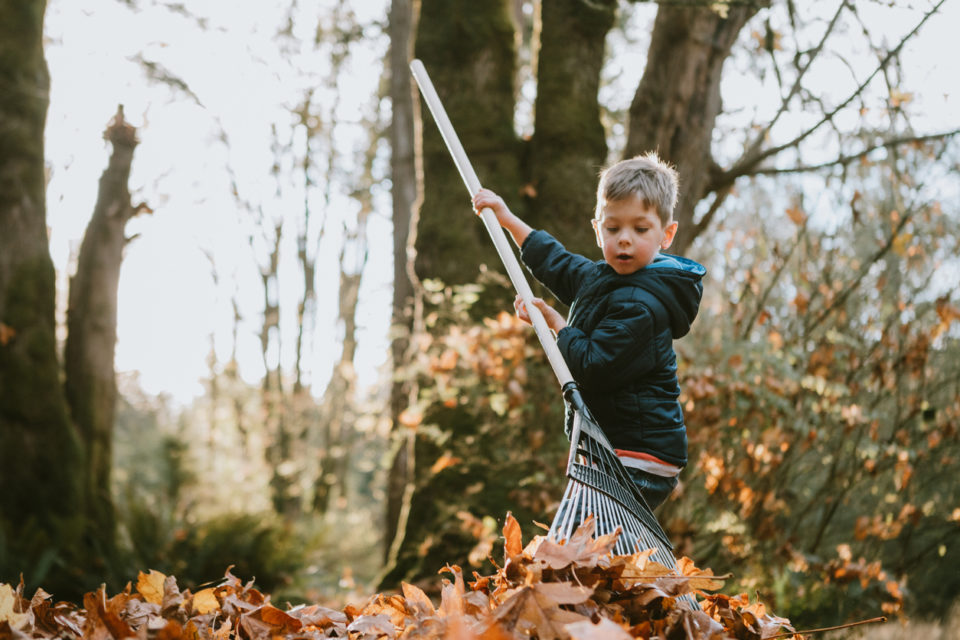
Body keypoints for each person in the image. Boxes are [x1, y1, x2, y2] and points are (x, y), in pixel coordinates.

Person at [472, 152, 705, 510]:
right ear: (597, 229)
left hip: (641, 456)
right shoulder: (605, 279)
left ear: (666, 234)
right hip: (613, 445)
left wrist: (555, 323)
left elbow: (592, 365)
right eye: (613, 228)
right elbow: (558, 263)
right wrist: (507, 220)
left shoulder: (643, 306)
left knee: (591, 540)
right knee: (592, 544)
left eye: (640, 229)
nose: (624, 239)